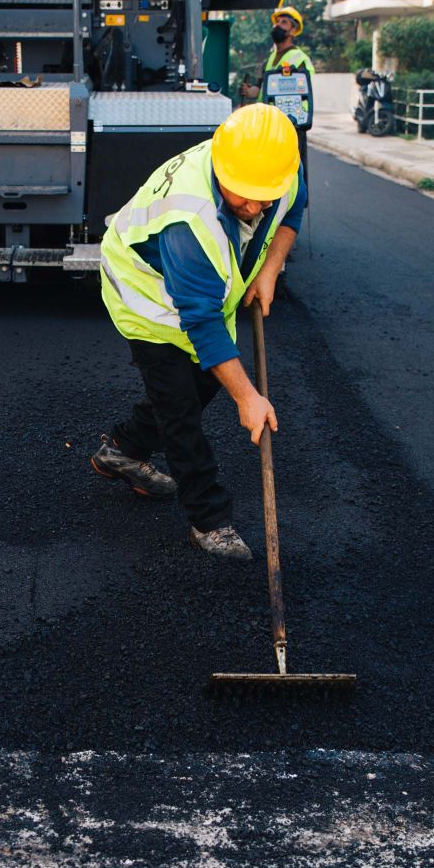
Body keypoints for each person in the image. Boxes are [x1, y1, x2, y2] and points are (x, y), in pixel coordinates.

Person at [91, 104, 304, 561]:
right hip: (147, 296)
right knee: (180, 409)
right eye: (243, 196)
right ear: (222, 169)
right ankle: (209, 521)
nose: (254, 207)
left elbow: (293, 208)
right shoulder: (190, 224)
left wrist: (270, 268)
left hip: (205, 297)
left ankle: (122, 450)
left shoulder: (272, 166)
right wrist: (249, 398)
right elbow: (202, 324)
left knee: (204, 382)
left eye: (263, 195)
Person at [244, 6, 315, 172]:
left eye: (283, 23)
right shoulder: (269, 59)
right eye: (276, 22)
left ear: (293, 30)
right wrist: (249, 92)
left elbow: (305, 95)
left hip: (292, 125)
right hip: (269, 124)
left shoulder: (299, 59)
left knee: (292, 171)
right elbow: (259, 89)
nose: (277, 26)